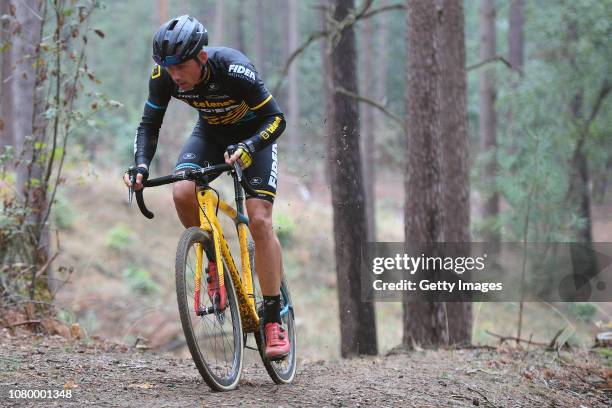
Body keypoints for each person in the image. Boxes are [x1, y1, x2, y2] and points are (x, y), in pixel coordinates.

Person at [123, 15, 289, 360]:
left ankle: (273, 316)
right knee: (182, 190)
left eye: (181, 66)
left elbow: (276, 119)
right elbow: (149, 125)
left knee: (259, 219)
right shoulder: (164, 77)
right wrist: (141, 165)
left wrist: (250, 146)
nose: (175, 76)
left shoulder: (234, 69)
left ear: (201, 57)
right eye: (168, 68)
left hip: (254, 136)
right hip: (211, 135)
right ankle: (213, 260)